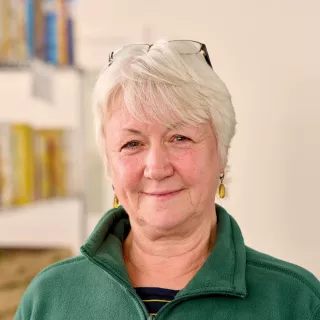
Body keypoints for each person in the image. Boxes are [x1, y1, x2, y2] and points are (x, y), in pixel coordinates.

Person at [15, 39, 319, 320]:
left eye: (180, 137)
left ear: (222, 155)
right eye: (132, 144)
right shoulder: (48, 299)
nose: (157, 168)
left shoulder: (295, 302)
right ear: (109, 166)